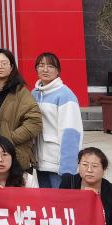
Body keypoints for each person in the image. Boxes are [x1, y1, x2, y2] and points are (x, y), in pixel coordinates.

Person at [32, 52, 84, 188]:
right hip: (40, 163)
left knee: (60, 199)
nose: (45, 69)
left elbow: (71, 133)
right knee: (46, 200)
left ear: (58, 71)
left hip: (57, 165)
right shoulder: (34, 93)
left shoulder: (65, 95)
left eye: (50, 66)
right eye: (41, 65)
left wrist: (68, 168)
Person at [0, 48, 42, 174]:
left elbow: (35, 123)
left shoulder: (21, 92)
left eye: (4, 63)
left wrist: (10, 138)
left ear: (11, 67)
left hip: (15, 155)